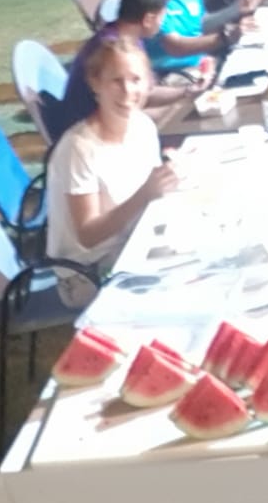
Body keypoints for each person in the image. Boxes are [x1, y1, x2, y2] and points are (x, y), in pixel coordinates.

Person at [46, 37, 180, 306]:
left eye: (136, 79)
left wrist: (168, 176)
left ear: (149, 82)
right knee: (182, 281)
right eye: (116, 81)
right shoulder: (78, 148)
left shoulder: (142, 126)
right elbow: (88, 235)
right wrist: (145, 194)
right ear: (95, 83)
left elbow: (153, 191)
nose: (128, 91)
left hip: (134, 242)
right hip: (88, 272)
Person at [50, 0, 195, 138]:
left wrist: (188, 93)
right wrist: (178, 108)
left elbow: (147, 92)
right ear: (148, 19)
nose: (163, 22)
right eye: (163, 16)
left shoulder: (126, 38)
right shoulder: (112, 51)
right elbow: (133, 108)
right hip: (90, 133)